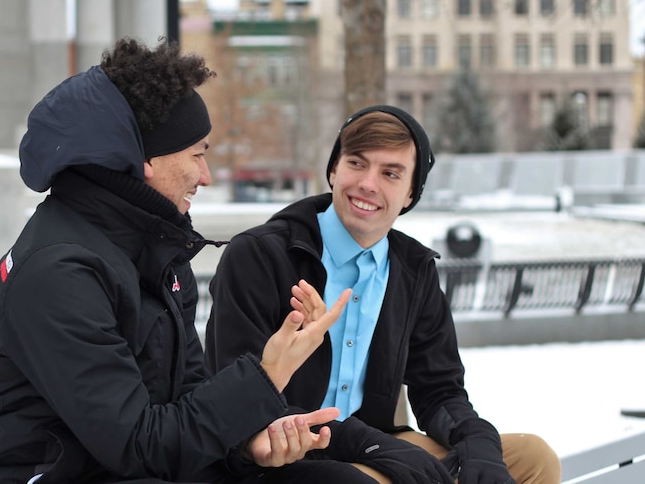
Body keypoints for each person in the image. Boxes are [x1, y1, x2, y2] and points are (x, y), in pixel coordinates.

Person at [0, 37, 352, 484]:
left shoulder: (156, 252)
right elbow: (138, 445)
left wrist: (248, 444)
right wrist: (268, 373)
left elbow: (186, 400)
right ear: (145, 160)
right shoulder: (58, 273)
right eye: (197, 154)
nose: (206, 176)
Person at [205, 105, 563, 484]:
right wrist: (374, 447)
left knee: (532, 458)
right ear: (333, 170)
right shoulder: (261, 256)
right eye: (357, 164)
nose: (368, 184)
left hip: (375, 446)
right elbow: (236, 393)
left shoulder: (412, 269)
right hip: (281, 455)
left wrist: (476, 440)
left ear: (411, 194)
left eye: (390, 173)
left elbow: (438, 387)